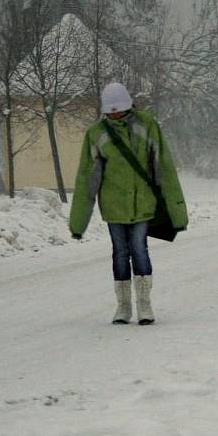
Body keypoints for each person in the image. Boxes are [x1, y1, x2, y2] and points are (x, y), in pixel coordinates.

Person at [69, 82, 188, 325]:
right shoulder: (96, 134)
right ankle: (123, 307)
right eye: (110, 112)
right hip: (113, 208)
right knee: (120, 254)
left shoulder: (147, 124)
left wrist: (177, 213)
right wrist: (78, 223)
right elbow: (86, 179)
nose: (115, 114)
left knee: (139, 249)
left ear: (128, 107)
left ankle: (144, 305)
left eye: (119, 110)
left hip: (142, 204)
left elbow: (163, 168)